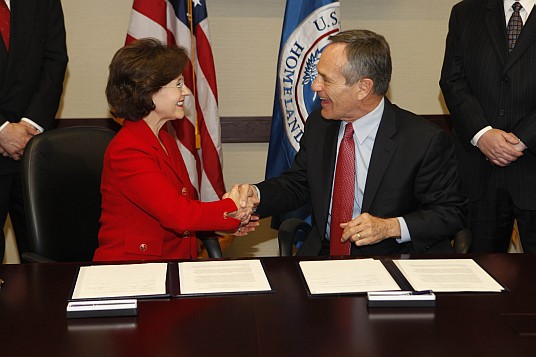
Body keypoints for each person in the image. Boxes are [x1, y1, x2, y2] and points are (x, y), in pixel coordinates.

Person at [238, 29, 467, 256]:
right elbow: (299, 183)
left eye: (326, 79)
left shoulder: (423, 140)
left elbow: (451, 212)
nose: (315, 86)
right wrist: (257, 195)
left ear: (363, 88)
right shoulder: (320, 124)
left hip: (390, 256)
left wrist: (390, 227)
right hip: (324, 253)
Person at [93, 38, 256, 261]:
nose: (186, 92)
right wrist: (232, 208)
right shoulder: (128, 150)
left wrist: (225, 225)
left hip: (172, 265)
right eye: (178, 84)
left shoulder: (165, 140)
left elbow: (184, 207)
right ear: (148, 90)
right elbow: (179, 215)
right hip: (133, 271)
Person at [440, 0, 536, 253]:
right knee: (478, 280)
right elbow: (452, 79)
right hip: (479, 171)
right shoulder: (466, 12)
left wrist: (523, 138)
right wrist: (482, 134)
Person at [0, 0, 68, 261]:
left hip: (29, 153)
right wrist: (2, 130)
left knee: (43, 261)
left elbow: (55, 61)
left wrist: (30, 126)